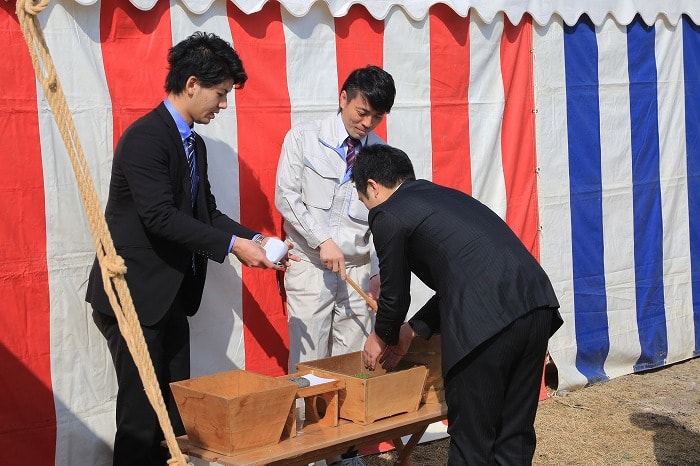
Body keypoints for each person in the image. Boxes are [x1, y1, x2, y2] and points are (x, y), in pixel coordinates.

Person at [86, 31, 291, 466]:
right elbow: (159, 217)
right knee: (142, 418)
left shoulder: (192, 142)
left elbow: (205, 213)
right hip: (134, 295)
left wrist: (254, 240)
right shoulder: (146, 138)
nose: (223, 105)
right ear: (192, 83)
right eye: (220, 94)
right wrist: (232, 244)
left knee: (176, 411)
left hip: (171, 297)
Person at [352, 144, 563, 466]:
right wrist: (410, 331)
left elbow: (395, 294)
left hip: (486, 324)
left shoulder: (387, 213)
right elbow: (470, 280)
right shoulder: (443, 197)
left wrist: (381, 336)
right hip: (535, 305)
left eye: (364, 201)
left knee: (473, 438)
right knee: (515, 432)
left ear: (372, 186)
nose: (368, 208)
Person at [274, 65, 395, 466]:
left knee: (351, 359)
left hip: (358, 269)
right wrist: (320, 240)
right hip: (311, 265)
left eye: (376, 117)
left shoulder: (378, 155)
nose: (367, 122)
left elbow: (382, 220)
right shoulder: (304, 138)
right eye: (362, 112)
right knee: (308, 359)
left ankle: (342, 451)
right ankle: (304, 450)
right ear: (343, 97)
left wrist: (377, 273)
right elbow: (286, 198)